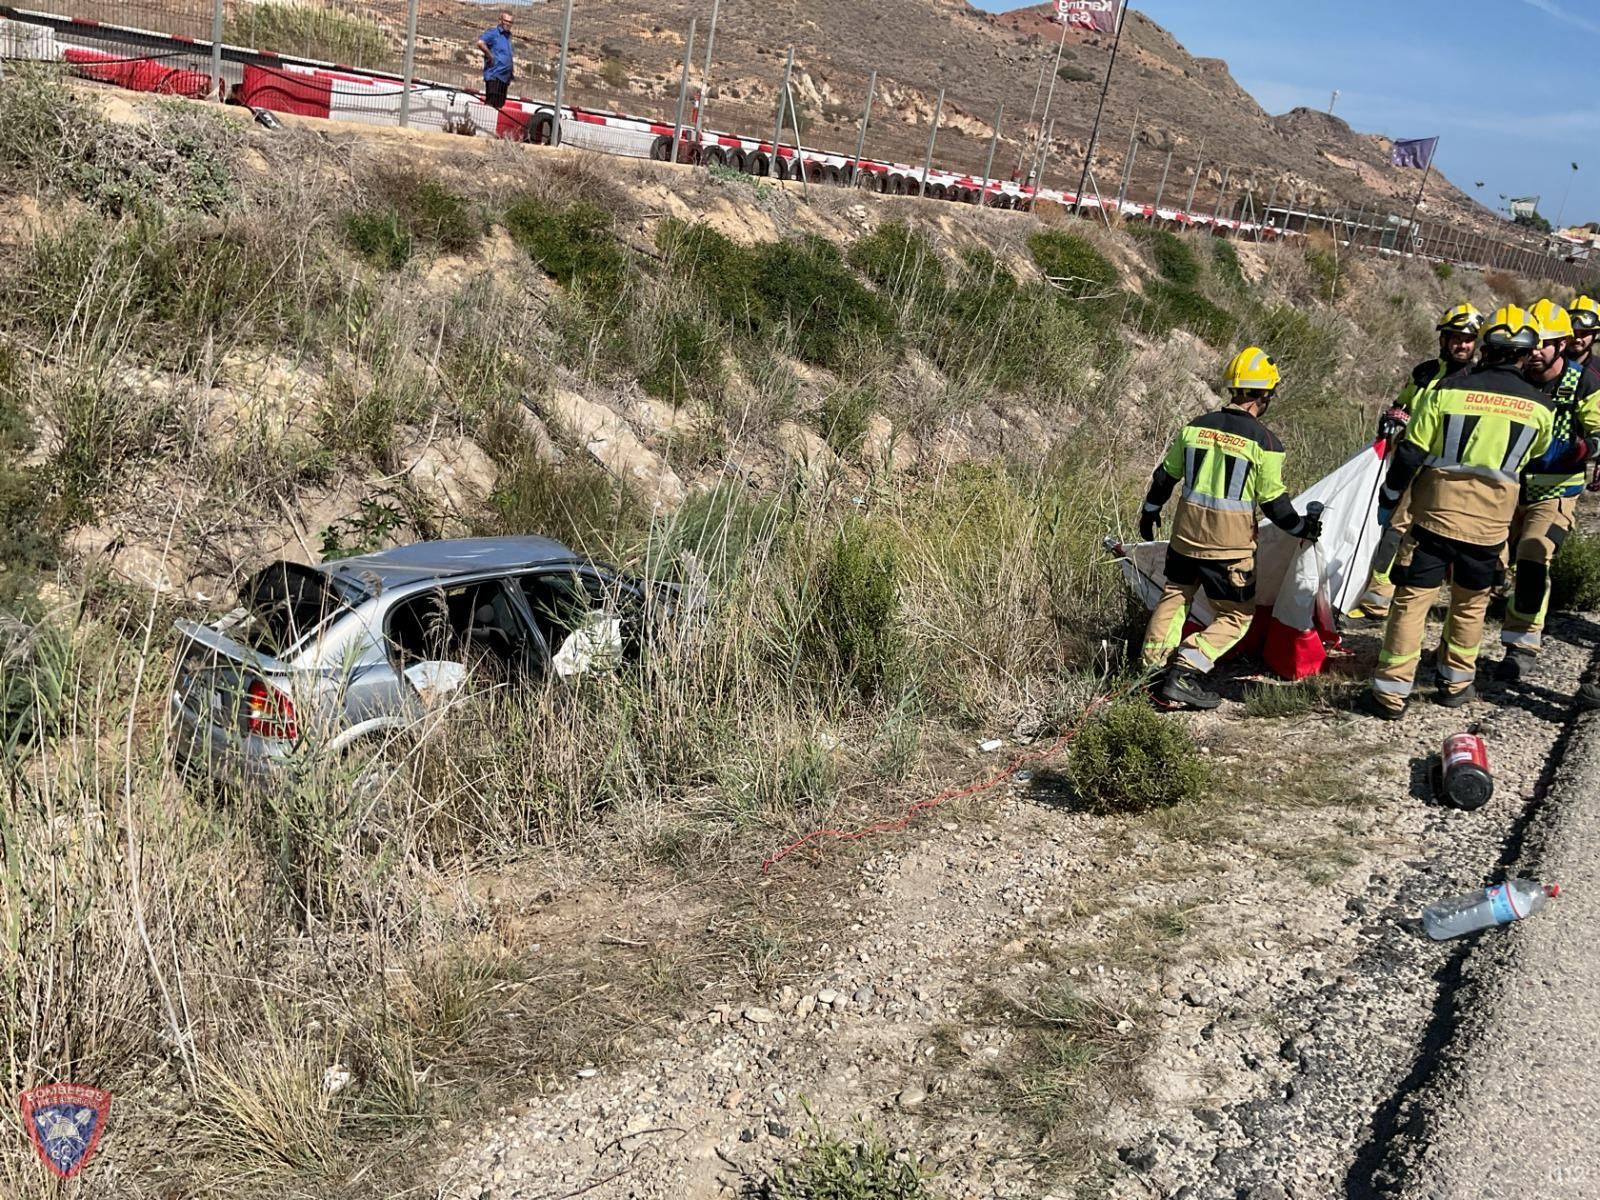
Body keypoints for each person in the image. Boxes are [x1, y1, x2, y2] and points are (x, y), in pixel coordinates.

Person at [1365, 305, 1554, 719]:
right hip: (1490, 527)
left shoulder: (1446, 391)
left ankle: (1390, 694)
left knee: (1412, 602)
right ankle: (1455, 683)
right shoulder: (1542, 408)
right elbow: (1536, 458)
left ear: (1486, 346)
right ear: (1527, 354)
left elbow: (1411, 451)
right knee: (1470, 605)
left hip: (1434, 518)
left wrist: (1390, 496)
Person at [1138, 347, 1323, 711]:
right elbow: (1274, 504)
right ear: (1264, 395)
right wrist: (1302, 527)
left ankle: (1152, 673)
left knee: (1175, 596)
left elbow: (1164, 477)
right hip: (1229, 549)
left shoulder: (1195, 427)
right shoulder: (1266, 443)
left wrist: (1150, 511)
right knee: (1236, 616)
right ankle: (1185, 669)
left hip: (1185, 538)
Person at [1353, 303, 1483, 619]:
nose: (1462, 345)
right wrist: (1392, 418)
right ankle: (1377, 596)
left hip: (1442, 469)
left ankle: (1386, 598)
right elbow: (1403, 404)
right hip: (1407, 460)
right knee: (1390, 527)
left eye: (1468, 339)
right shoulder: (1425, 372)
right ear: (1443, 339)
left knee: (1407, 531)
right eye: (1456, 338)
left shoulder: (1477, 380)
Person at [1497, 300, 1600, 679]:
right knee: (1485, 562)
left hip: (1556, 490)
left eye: (1544, 343)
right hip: (1506, 486)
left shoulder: (1584, 382)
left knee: (1533, 555)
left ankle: (1521, 645)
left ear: (1562, 343)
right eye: (1532, 343)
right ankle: (1457, 647)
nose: (1535, 351)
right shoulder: (1513, 377)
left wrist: (1587, 448)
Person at [476, 11, 516, 110]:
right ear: (500, 20)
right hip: (495, 75)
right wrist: (490, 56)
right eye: (506, 21)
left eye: (510, 22)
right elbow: (480, 43)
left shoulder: (508, 36)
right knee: (490, 105)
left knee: (499, 105)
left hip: (504, 78)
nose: (508, 24)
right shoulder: (493, 33)